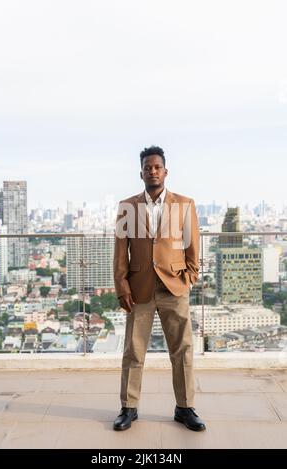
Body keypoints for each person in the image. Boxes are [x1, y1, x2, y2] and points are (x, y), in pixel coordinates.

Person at [113, 146, 206, 432]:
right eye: (147, 167)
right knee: (133, 350)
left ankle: (185, 407)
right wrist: (122, 285)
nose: (152, 171)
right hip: (139, 288)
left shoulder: (184, 204)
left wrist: (189, 276)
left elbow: (192, 244)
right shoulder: (127, 207)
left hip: (173, 286)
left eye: (157, 167)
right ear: (140, 172)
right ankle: (129, 408)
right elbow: (120, 252)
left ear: (165, 171)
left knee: (182, 349)